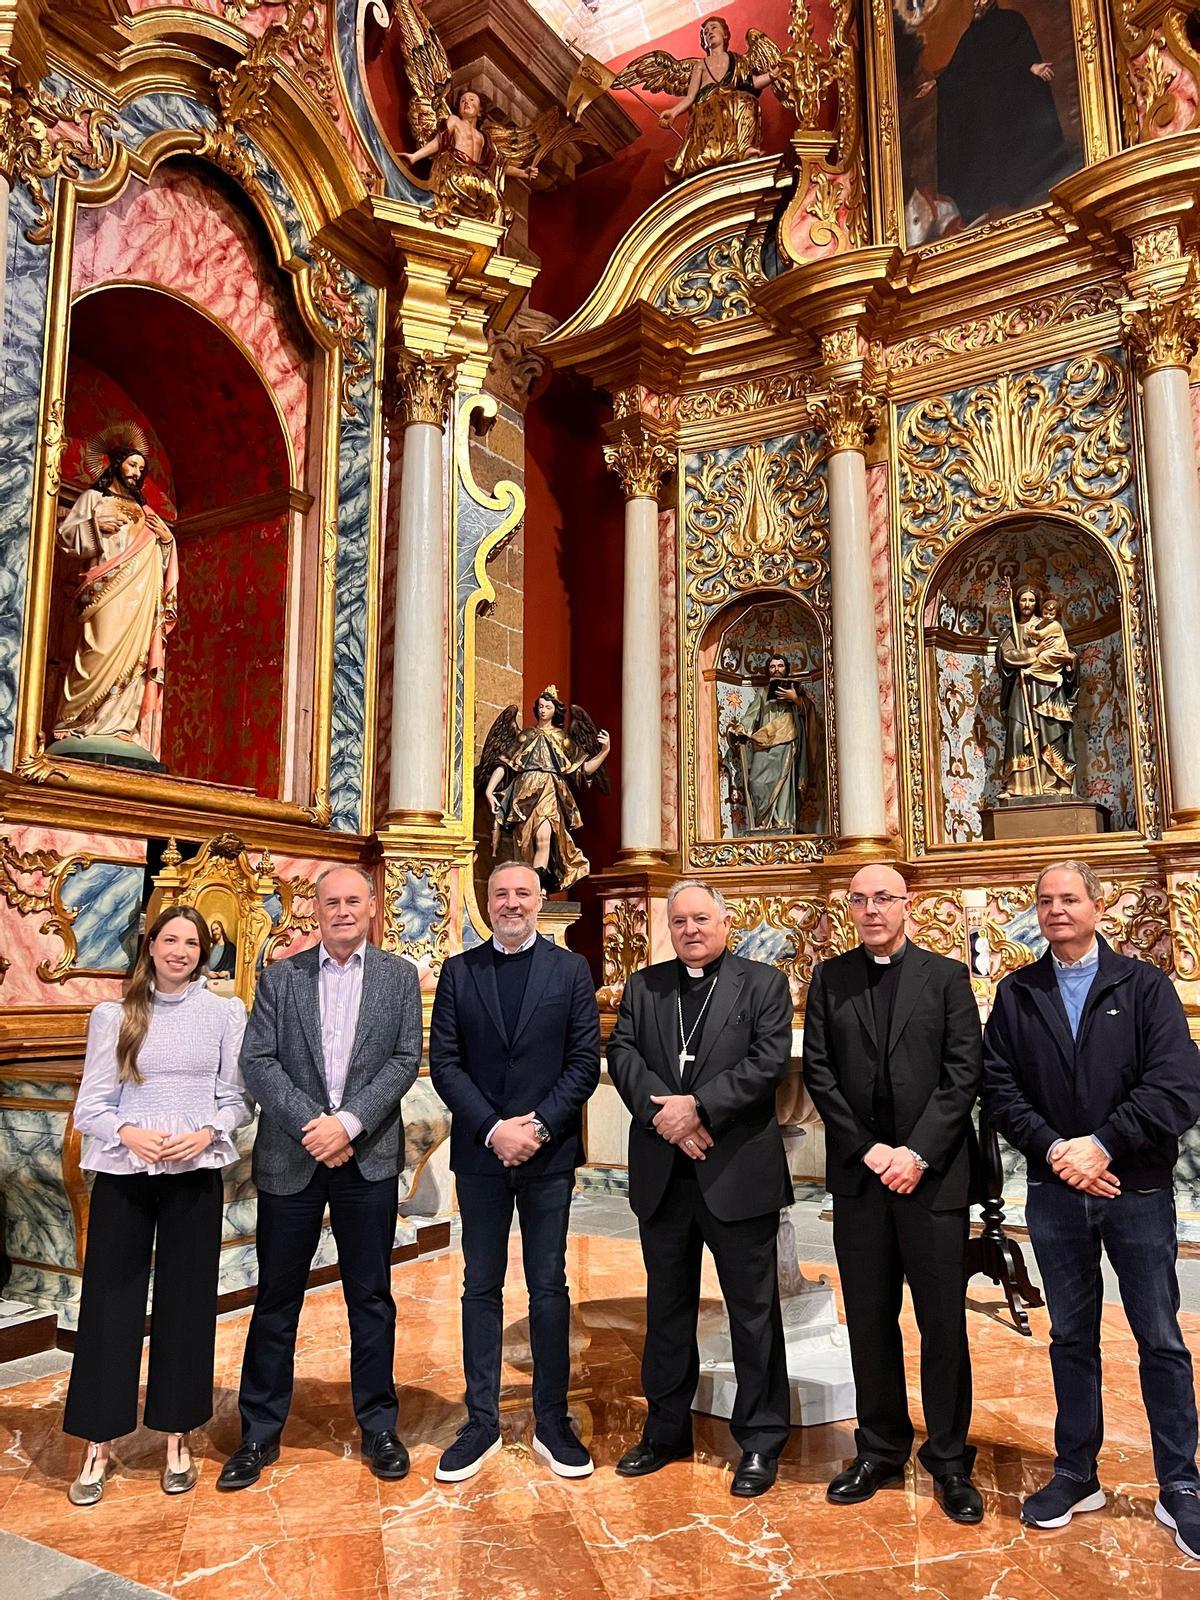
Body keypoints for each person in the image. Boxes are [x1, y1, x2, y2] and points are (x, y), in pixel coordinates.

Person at [983, 860, 1200, 1556]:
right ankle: (1077, 1471)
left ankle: (1181, 1486)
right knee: (1071, 1337)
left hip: (1134, 1192)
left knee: (1160, 1340)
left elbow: (1176, 1086)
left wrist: (1103, 1146)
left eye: (1069, 898)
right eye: (1044, 900)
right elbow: (999, 1088)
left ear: (1097, 907)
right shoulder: (1018, 992)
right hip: (1054, 1194)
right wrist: (1056, 1152)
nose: (1056, 910)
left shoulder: (1144, 986)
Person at [218, 865, 422, 1490]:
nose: (341, 911)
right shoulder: (281, 978)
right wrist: (317, 1124)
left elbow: (405, 1058)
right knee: (277, 1297)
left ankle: (379, 1426)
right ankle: (258, 1433)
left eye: (352, 901)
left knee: (370, 1295)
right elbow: (258, 1060)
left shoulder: (398, 976)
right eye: (330, 901)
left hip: (367, 1158)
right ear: (316, 908)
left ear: (371, 906)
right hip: (293, 1156)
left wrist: (351, 1123)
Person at [802, 863, 984, 1524]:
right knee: (871, 1321)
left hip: (930, 1178)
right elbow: (819, 1073)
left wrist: (916, 1152)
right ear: (850, 908)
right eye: (860, 899)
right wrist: (871, 1149)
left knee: (942, 1324)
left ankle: (950, 1460)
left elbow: (963, 1072)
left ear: (909, 904)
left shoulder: (946, 977)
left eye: (884, 897)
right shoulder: (830, 977)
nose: (872, 908)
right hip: (861, 1177)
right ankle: (879, 1448)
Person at [607, 879, 793, 1498]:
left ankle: (761, 1440)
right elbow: (623, 1052)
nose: (689, 929)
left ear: (724, 921)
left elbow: (767, 1062)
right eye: (679, 920)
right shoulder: (645, 985)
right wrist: (667, 1117)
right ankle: (664, 1431)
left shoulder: (762, 984)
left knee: (754, 1312)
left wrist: (699, 1111)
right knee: (667, 1309)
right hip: (665, 1172)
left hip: (736, 1170)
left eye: (701, 918)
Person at [64, 905, 251, 1505]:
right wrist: (129, 1134)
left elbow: (237, 1098)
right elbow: (91, 1106)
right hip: (126, 1174)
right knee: (110, 1302)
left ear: (204, 951)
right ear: (150, 945)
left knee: (187, 1302)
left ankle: (176, 1433)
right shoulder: (114, 1014)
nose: (181, 951)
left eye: (192, 943)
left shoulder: (224, 1013)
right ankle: (98, 1440)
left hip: (194, 1173)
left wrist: (206, 1132)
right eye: (170, 940)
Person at [428, 862, 601, 1481]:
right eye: (499, 893)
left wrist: (537, 1127)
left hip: (547, 1154)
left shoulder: (569, 969)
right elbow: (445, 1063)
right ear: (488, 901)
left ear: (539, 901)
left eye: (521, 893)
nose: (510, 903)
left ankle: (552, 1419)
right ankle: (481, 1421)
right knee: (481, 1285)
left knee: (549, 1285)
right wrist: (493, 1129)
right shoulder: (459, 970)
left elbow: (584, 1061)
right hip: (480, 1154)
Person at [52, 433, 179, 761]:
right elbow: (66, 536)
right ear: (116, 463)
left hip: (142, 593)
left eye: (141, 467)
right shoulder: (94, 498)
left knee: (135, 658)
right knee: (99, 647)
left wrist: (166, 540)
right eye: (132, 463)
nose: (137, 471)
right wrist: (96, 523)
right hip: (105, 590)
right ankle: (73, 720)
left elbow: (159, 550)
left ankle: (122, 724)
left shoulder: (144, 508)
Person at [914, 0, 1077, 228]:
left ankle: (1019, 189)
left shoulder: (1010, 21)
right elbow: (960, 68)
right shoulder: (972, 34)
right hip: (983, 110)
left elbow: (1018, 51)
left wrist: (1032, 66)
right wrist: (937, 83)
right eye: (975, 0)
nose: (976, 3)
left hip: (1006, 103)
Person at [479, 687, 611, 893]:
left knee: (544, 837)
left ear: (554, 710)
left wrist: (604, 751)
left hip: (549, 789)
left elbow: (583, 769)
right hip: (523, 793)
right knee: (523, 845)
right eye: (540, 706)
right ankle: (524, 884)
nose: (543, 710)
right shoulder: (526, 736)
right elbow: (505, 764)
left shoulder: (562, 739)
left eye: (548, 707)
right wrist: (489, 790)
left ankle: (537, 888)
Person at [657, 16, 780, 183]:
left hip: (732, 101)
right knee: (716, 106)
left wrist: (771, 75)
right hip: (706, 104)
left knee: (748, 100)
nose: (709, 33)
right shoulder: (700, 64)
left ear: (725, 34)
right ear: (704, 42)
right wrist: (673, 112)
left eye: (713, 28)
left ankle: (746, 149)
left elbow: (752, 83)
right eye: (705, 33)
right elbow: (690, 97)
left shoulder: (738, 60)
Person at [406, 86, 537, 228]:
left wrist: (523, 173)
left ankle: (493, 246)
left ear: (480, 110)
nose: (466, 102)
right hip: (455, 169)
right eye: (462, 101)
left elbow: (497, 165)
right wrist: (414, 157)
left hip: (476, 176)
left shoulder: (484, 137)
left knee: (501, 209)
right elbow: (438, 141)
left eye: (471, 99)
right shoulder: (455, 121)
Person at [996, 585, 1078, 798]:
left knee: (1050, 732)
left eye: (1031, 600)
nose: (1027, 605)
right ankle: (1017, 787)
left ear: (1038, 604)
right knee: (1017, 734)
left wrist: (1070, 661)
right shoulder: (1010, 631)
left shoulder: (1048, 626)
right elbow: (1006, 657)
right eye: (1023, 600)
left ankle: (1053, 784)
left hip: (1046, 688)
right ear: (1017, 602)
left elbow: (1063, 652)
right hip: (1021, 688)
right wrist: (1035, 651)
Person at [728, 653, 817, 833]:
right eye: (773, 667)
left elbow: (809, 713)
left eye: (780, 666)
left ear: (786, 669)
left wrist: (795, 699)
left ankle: (782, 822)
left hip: (787, 742)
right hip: (764, 742)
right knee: (756, 782)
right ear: (768, 671)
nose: (776, 669)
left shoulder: (796, 692)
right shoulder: (762, 693)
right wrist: (741, 730)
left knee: (784, 783)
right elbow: (752, 715)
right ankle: (763, 822)